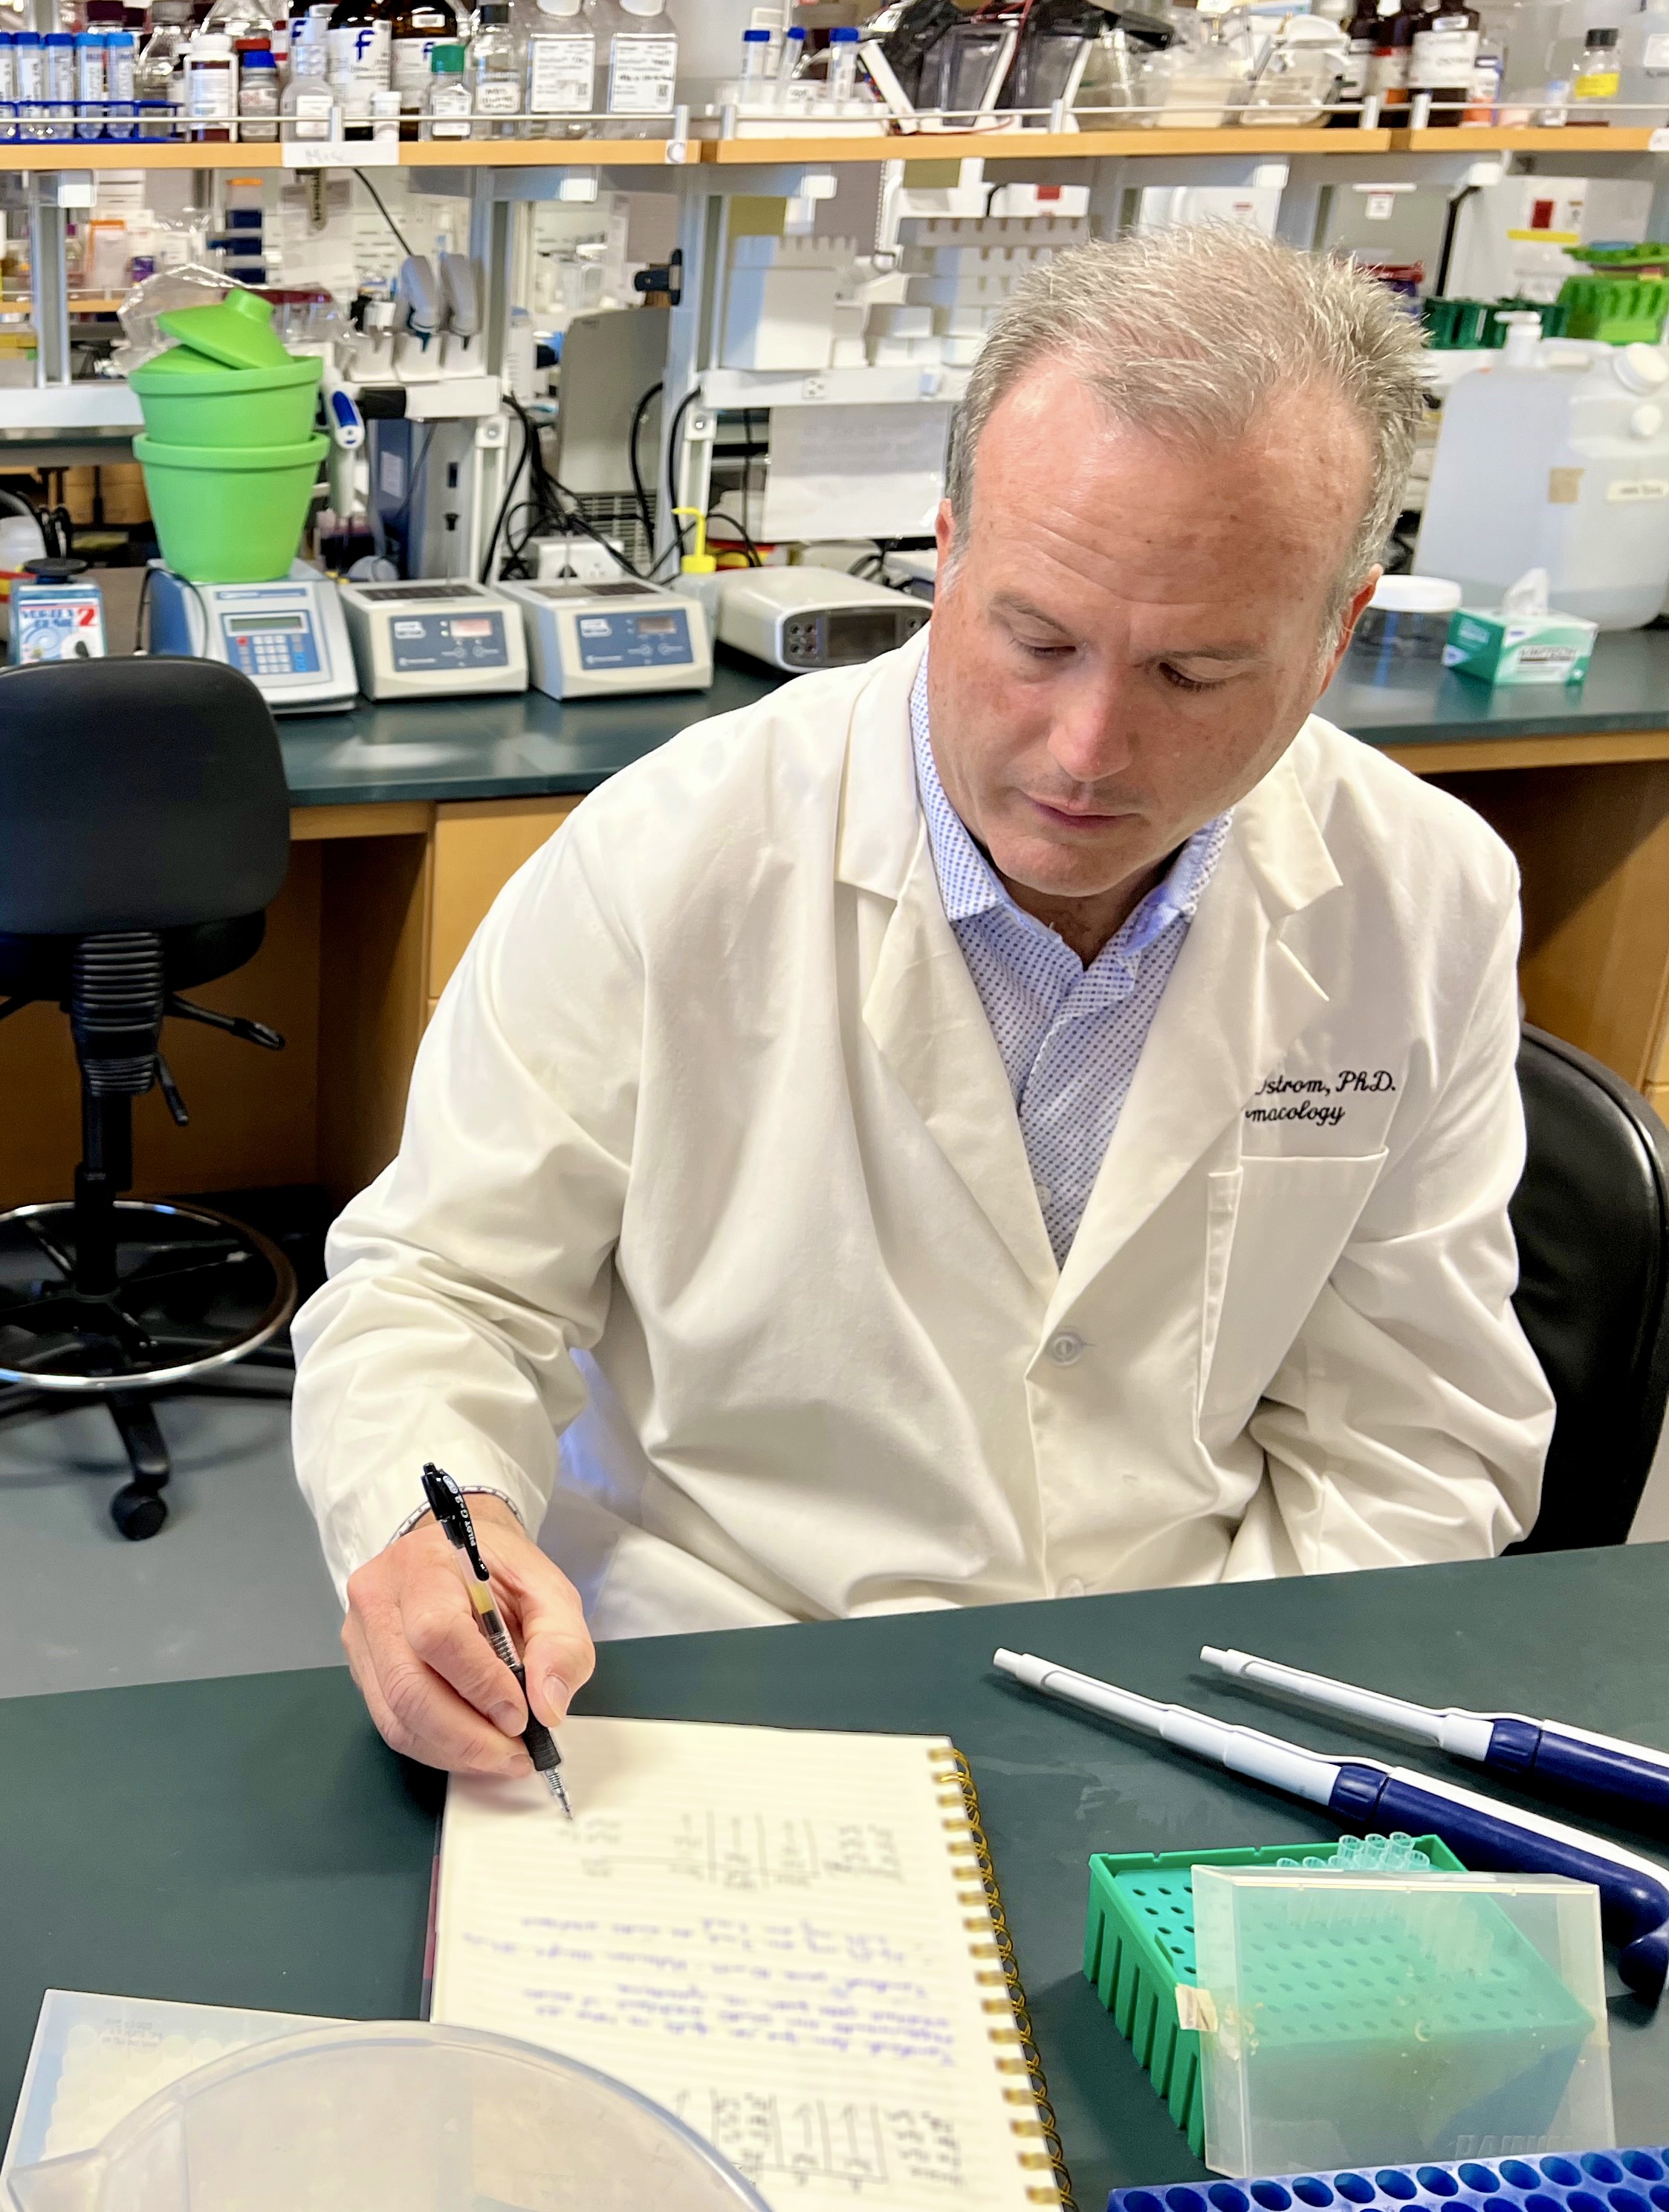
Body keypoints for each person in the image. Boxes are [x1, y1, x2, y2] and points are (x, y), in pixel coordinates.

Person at [291, 224, 1555, 1782]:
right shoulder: (671, 851)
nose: (1087, 747)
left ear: (1334, 634)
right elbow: (444, 1289)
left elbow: (1409, 1432)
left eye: (1194, 673)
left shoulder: (1422, 894)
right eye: (1037, 638)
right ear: (947, 552)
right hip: (725, 1669)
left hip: (1198, 1685)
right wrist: (440, 1530)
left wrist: (1241, 1736)